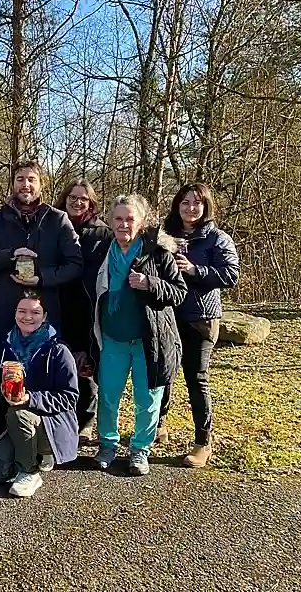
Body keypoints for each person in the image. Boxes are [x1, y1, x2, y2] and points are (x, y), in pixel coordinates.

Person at [93, 195, 187, 476]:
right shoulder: (101, 251)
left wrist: (150, 283)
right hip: (112, 339)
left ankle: (140, 449)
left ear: (141, 222)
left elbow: (179, 292)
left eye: (130, 219)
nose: (124, 224)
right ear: (110, 221)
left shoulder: (157, 254)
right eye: (118, 219)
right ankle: (107, 445)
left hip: (149, 342)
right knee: (108, 397)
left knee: (148, 400)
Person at [159, 183, 240, 468]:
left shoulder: (217, 238)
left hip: (200, 319)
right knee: (163, 373)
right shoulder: (165, 235)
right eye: (185, 202)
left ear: (206, 207)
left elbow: (231, 275)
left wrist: (196, 270)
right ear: (177, 205)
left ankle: (203, 441)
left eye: (197, 203)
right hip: (168, 316)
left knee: (196, 378)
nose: (190, 208)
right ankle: (158, 425)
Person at [0, 159, 82, 367]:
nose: (26, 185)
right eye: (20, 179)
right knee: (1, 374)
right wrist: (10, 255)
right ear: (13, 183)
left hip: (45, 313)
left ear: (41, 184)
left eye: (31, 179)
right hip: (4, 314)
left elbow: (75, 265)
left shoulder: (57, 220)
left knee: (44, 374)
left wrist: (42, 278)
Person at [0, 292, 79, 497]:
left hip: (50, 422)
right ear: (14, 313)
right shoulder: (3, 346)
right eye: (22, 311)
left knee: (19, 413)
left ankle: (29, 471)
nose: (27, 317)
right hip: (12, 424)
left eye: (35, 312)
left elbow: (70, 397)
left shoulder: (59, 350)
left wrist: (30, 399)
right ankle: (27, 453)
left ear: (45, 316)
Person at [54, 178, 112, 442]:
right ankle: (64, 417)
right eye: (72, 197)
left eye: (83, 199)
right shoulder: (54, 225)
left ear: (91, 203)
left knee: (89, 365)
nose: (77, 202)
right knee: (65, 362)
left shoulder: (102, 233)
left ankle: (87, 420)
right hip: (59, 303)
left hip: (89, 306)